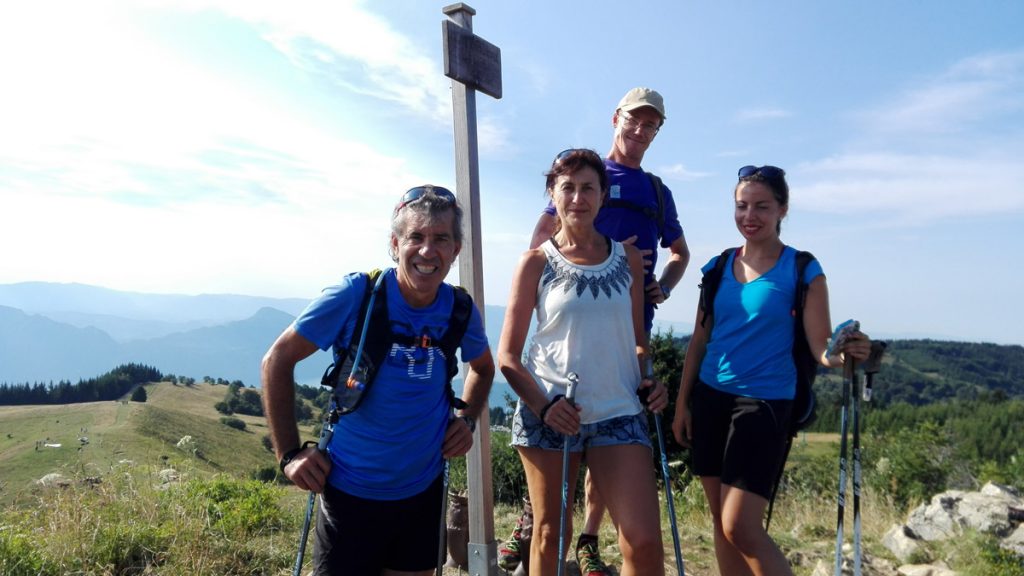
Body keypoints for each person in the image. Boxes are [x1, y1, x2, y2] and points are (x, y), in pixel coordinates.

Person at [501, 86, 690, 575]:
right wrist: (545, 406)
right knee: (549, 534)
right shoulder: (534, 264)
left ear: (603, 196)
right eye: (568, 188)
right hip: (550, 411)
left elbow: (638, 338)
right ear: (553, 196)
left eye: (588, 189)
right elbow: (508, 357)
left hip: (619, 407)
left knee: (644, 544)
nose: (578, 198)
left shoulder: (628, 258)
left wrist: (651, 379)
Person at [261, 185, 495, 576]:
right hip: (349, 494)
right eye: (415, 237)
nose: (427, 250)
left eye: (441, 239)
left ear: (456, 249)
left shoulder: (460, 310)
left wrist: (467, 419)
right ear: (394, 243)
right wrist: (288, 454)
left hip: (423, 494)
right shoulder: (357, 295)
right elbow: (277, 360)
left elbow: (485, 368)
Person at [670, 165, 872, 576]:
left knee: (739, 525)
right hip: (710, 398)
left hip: (764, 403)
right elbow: (699, 342)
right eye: (742, 206)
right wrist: (681, 406)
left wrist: (844, 352)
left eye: (762, 206)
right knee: (721, 526)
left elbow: (821, 348)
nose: (750, 215)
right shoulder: (717, 267)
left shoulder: (802, 269)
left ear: (783, 209)